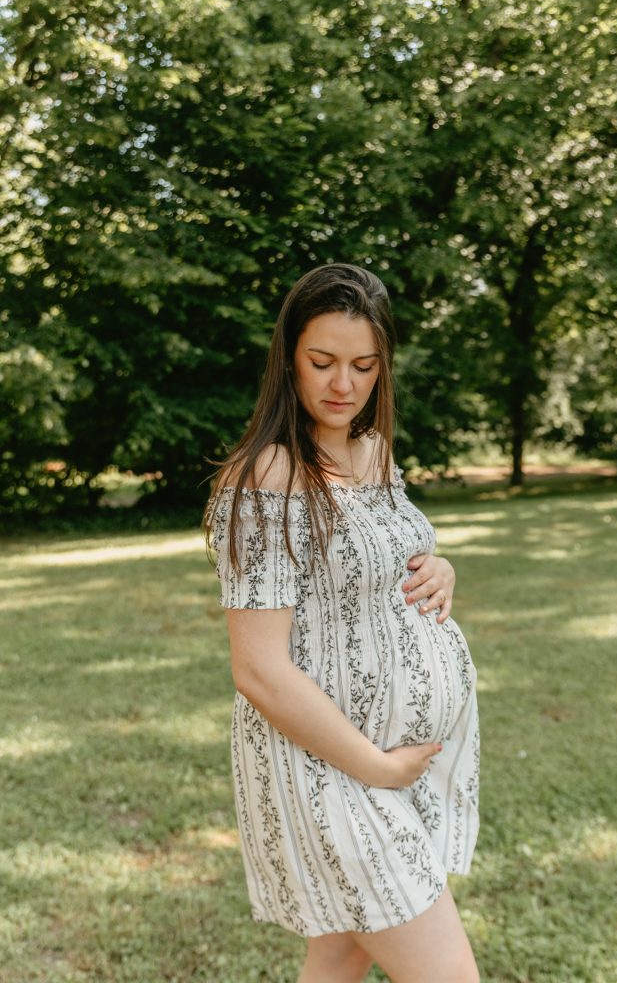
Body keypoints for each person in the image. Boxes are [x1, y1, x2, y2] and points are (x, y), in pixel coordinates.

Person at [203, 263, 480, 983]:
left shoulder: (374, 454)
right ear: (288, 358)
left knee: (336, 958)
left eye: (363, 366)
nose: (342, 384)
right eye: (321, 361)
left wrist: (437, 565)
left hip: (390, 764)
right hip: (334, 768)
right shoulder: (266, 478)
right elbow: (258, 668)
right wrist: (375, 767)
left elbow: (382, 562)